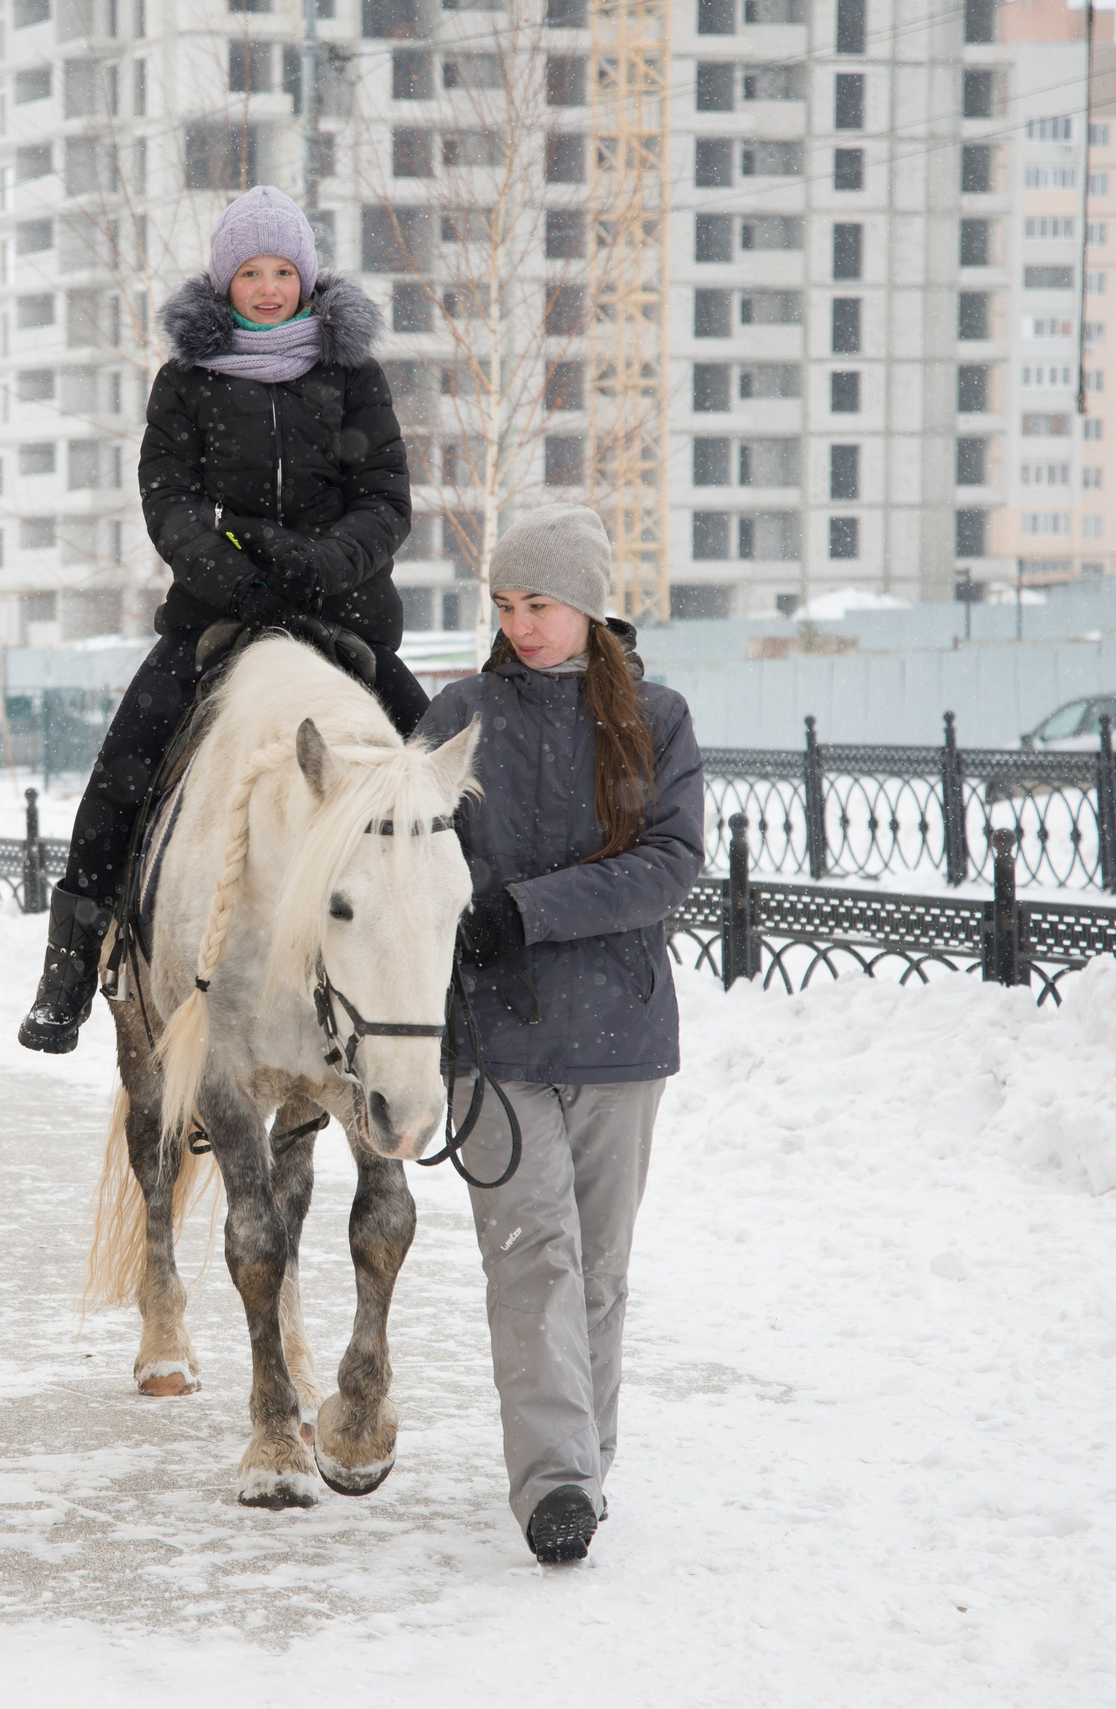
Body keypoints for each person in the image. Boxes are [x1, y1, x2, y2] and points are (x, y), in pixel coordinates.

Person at [18, 184, 432, 1054]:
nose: (270, 287)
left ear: (309, 278)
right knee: (122, 767)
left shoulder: (352, 374)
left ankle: (473, 972)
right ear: (224, 281)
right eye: (252, 272)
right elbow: (169, 503)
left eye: (285, 270)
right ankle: (70, 964)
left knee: (434, 768)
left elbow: (387, 503)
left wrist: (318, 569)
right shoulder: (185, 381)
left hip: (345, 621)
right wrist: (239, 582)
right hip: (215, 620)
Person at [414, 506, 705, 1565]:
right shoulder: (456, 712)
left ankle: (583, 1460)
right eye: (504, 603)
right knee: (531, 1256)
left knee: (597, 1271)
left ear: (587, 604)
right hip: (492, 1040)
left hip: (620, 1033)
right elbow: (400, 855)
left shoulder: (656, 718)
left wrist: (521, 910)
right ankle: (554, 1487)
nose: (520, 622)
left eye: (538, 602)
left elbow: (670, 862)